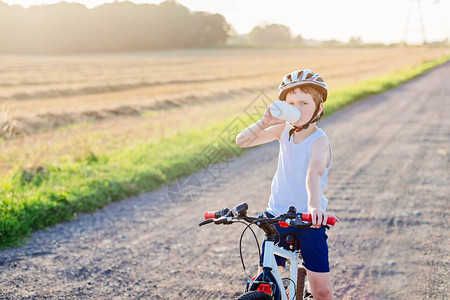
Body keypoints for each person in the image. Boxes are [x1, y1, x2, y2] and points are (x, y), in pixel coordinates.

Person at [235, 69, 337, 300]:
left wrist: (313, 207)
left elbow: (314, 173)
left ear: (318, 108)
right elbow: (241, 141)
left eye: (304, 102)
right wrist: (264, 122)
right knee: (265, 281)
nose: (297, 108)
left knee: (322, 291)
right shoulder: (283, 130)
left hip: (309, 219)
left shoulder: (319, 140)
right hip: (276, 216)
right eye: (291, 103)